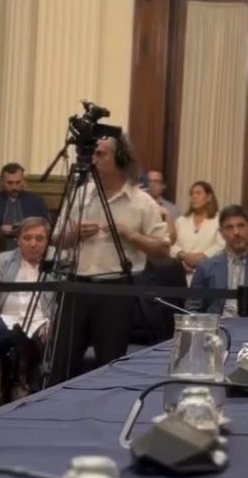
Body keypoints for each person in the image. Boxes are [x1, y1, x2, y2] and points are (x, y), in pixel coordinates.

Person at [48, 135, 169, 383]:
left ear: (120, 158)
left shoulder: (142, 202)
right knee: (61, 363)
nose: (94, 159)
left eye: (101, 154)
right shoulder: (81, 194)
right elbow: (55, 238)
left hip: (115, 289)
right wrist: (74, 234)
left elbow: (163, 249)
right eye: (93, 153)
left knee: (109, 366)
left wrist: (132, 236)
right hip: (75, 285)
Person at [0, 217, 51, 397]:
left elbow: (61, 301)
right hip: (7, 319)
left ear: (47, 241)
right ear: (18, 240)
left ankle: (22, 380)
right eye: (27, 238)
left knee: (35, 336)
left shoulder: (56, 263)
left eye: (39, 239)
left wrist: (53, 320)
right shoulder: (4, 260)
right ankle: (19, 380)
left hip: (41, 321)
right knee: (5, 332)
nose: (33, 244)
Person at [191, 206, 248, 318]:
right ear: (221, 233)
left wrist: (246, 323)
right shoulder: (205, 268)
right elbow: (192, 309)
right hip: (215, 329)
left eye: (241, 226)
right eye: (229, 227)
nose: (236, 232)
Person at [0, 163, 49, 252]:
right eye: (10, 183)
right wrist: (0, 229)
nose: (14, 187)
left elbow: (46, 226)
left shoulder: (36, 201)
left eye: (18, 182)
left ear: (24, 181)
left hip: (30, 248)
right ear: (2, 182)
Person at [171, 181, 224, 282]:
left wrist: (203, 256)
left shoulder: (219, 219)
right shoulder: (181, 221)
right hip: (182, 275)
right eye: (192, 194)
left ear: (209, 197)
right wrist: (183, 255)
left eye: (198, 193)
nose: (194, 197)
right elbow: (171, 245)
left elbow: (221, 245)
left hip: (209, 275)